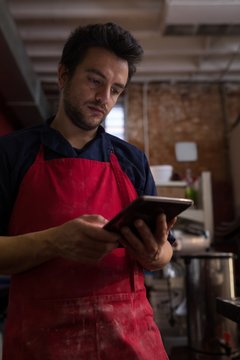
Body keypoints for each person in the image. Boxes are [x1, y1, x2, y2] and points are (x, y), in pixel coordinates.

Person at [0, 22, 176, 360]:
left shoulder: (132, 160)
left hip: (131, 339)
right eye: (95, 81)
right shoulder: (12, 154)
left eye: (116, 90)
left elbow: (166, 251)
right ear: (64, 75)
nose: (104, 98)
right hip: (42, 343)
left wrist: (154, 255)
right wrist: (55, 241)